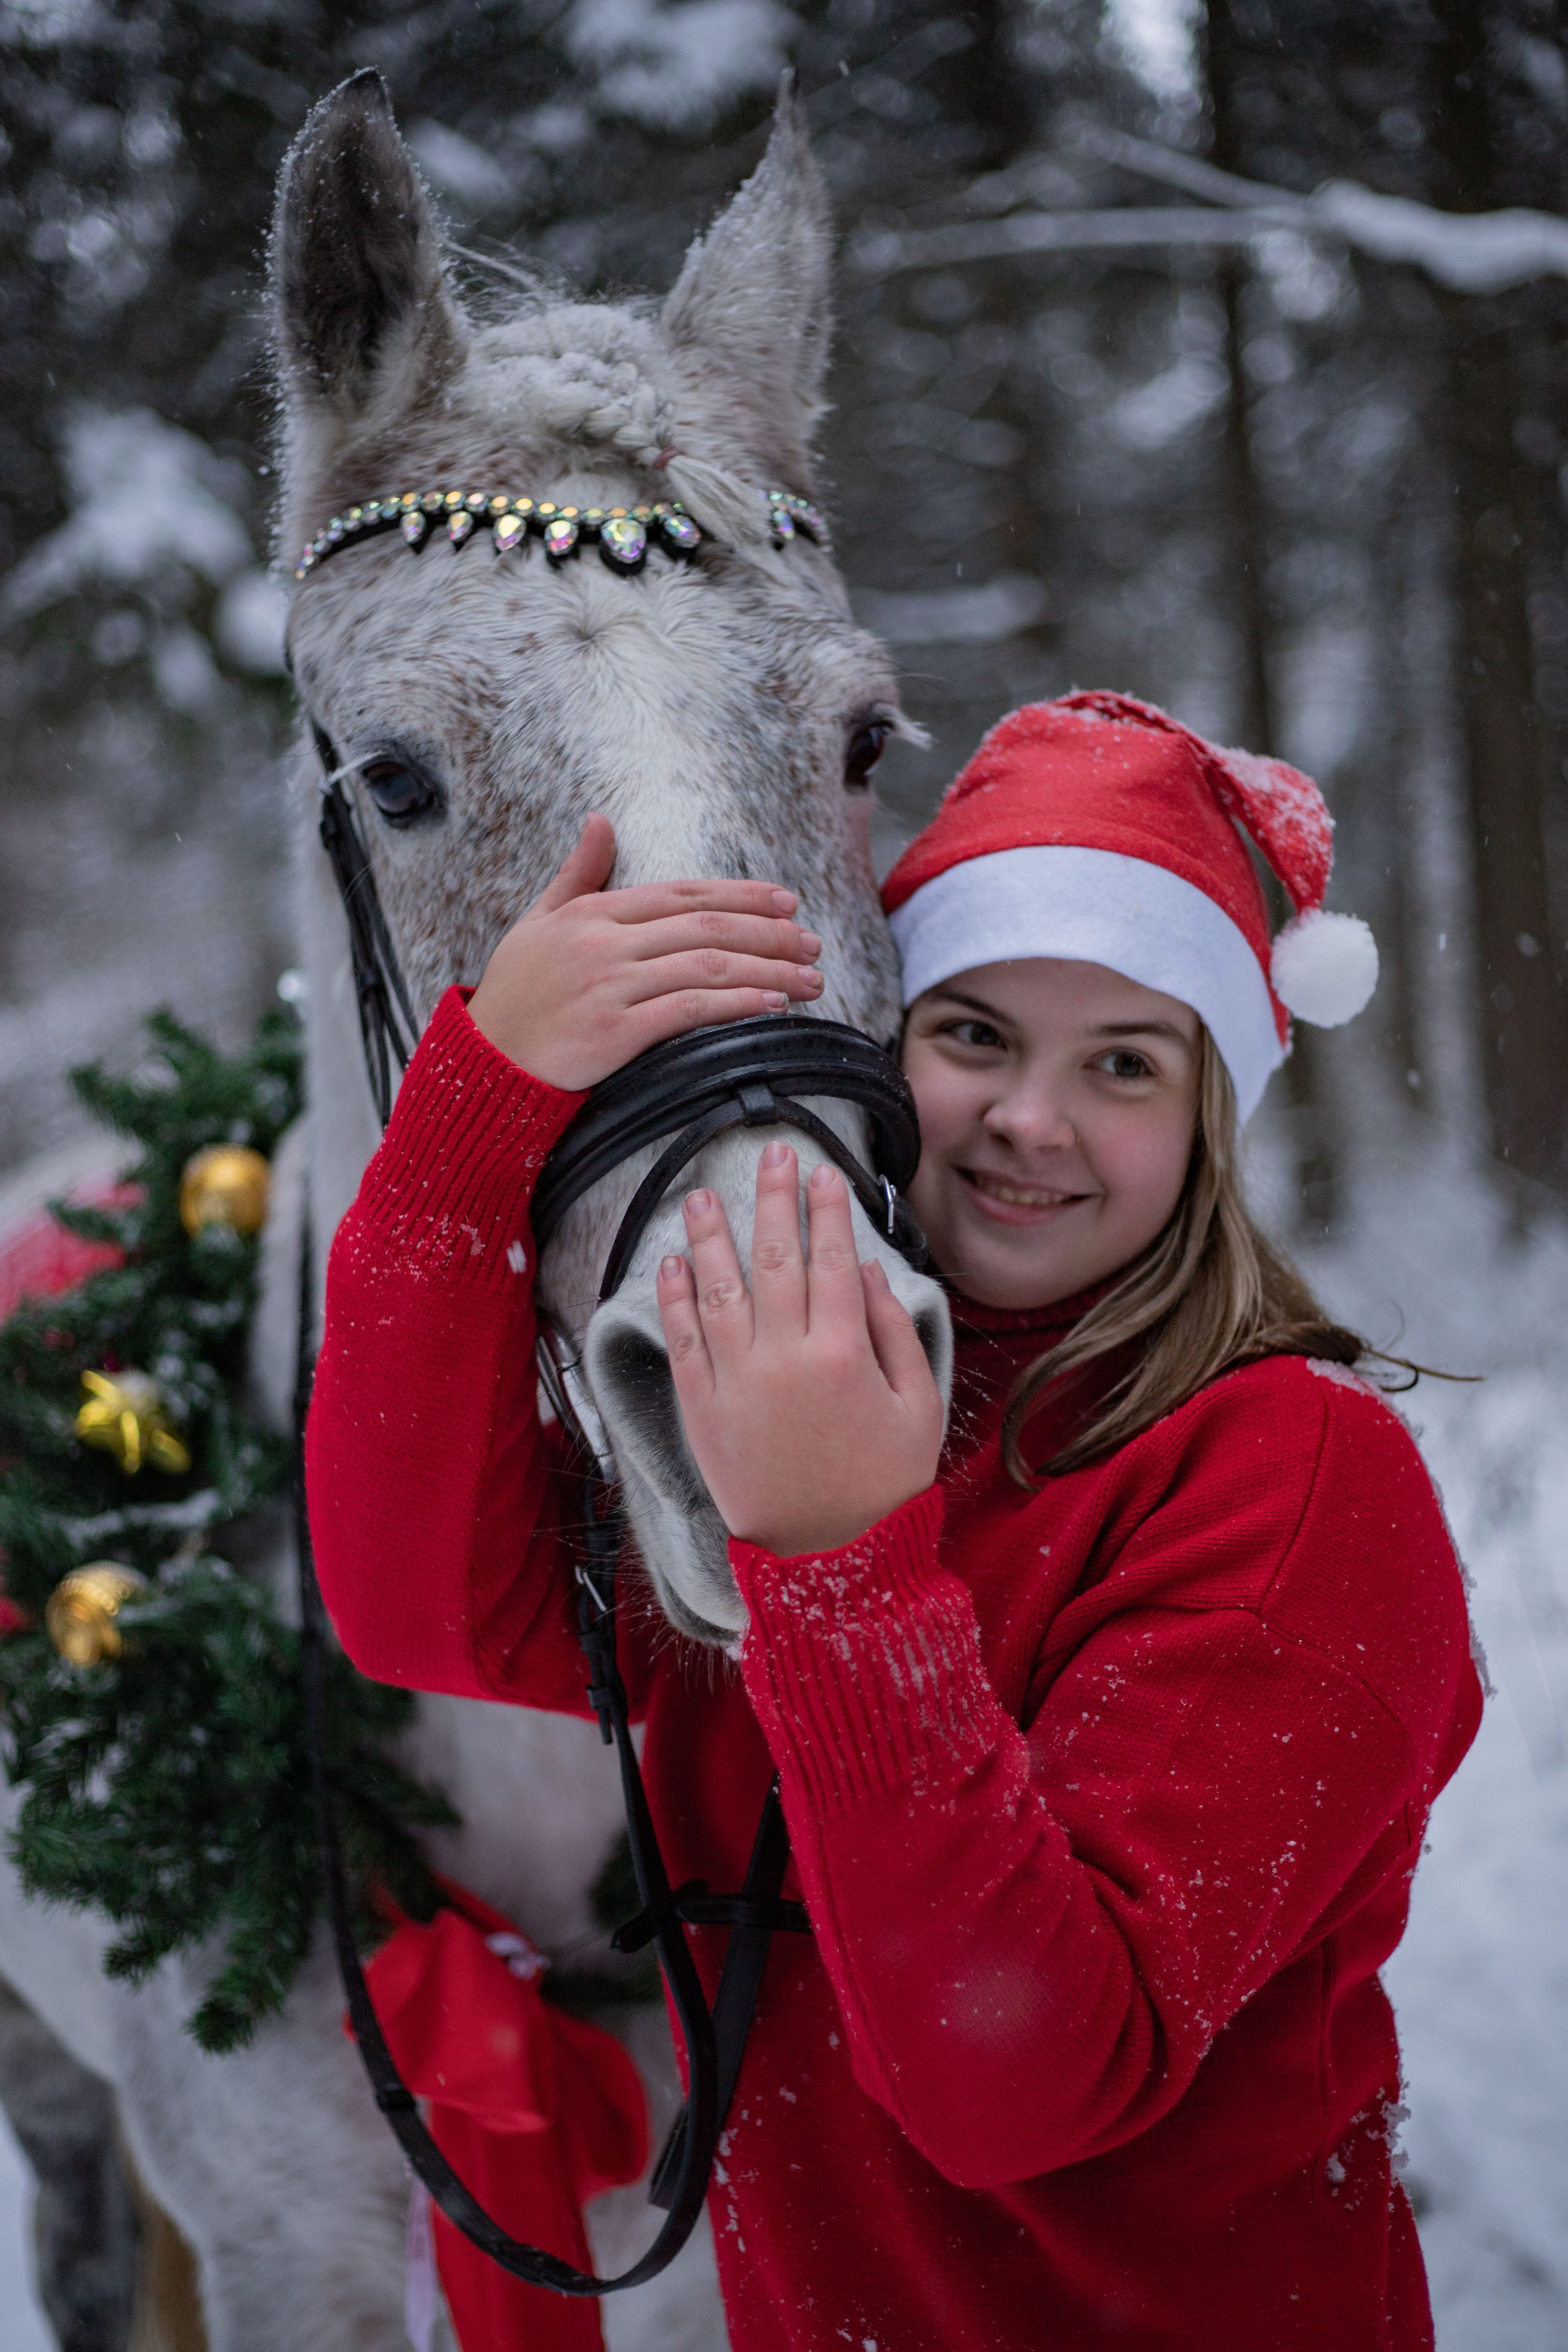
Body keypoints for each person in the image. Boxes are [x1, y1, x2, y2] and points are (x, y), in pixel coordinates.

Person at [307, 690, 1482, 2352]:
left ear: (1212, 1126)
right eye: (977, 1033)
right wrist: (477, 1112)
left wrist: (843, 1566)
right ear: (877, 1045)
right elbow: (431, 1611)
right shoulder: (821, 1381)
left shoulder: (1293, 1479)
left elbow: (1024, 2084)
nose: (1030, 1121)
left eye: (1125, 1065)